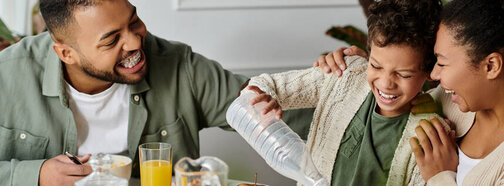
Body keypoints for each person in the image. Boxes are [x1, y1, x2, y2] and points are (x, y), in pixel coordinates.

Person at [0, 0, 314, 185]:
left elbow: (283, 118)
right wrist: (34, 174)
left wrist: (350, 84)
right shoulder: (8, 74)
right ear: (65, 53)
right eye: (111, 40)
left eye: (133, 20)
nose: (136, 43)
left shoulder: (179, 65)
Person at [319, 0, 504, 185]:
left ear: (491, 65)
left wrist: (441, 176)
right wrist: (357, 67)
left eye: (442, 62)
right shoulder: (449, 101)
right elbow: (389, 104)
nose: (434, 75)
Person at [244, 0, 443, 185]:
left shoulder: (428, 137)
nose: (385, 83)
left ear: (429, 72)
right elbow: (263, 84)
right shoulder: (345, 73)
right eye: (375, 65)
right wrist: (265, 96)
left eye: (404, 75)